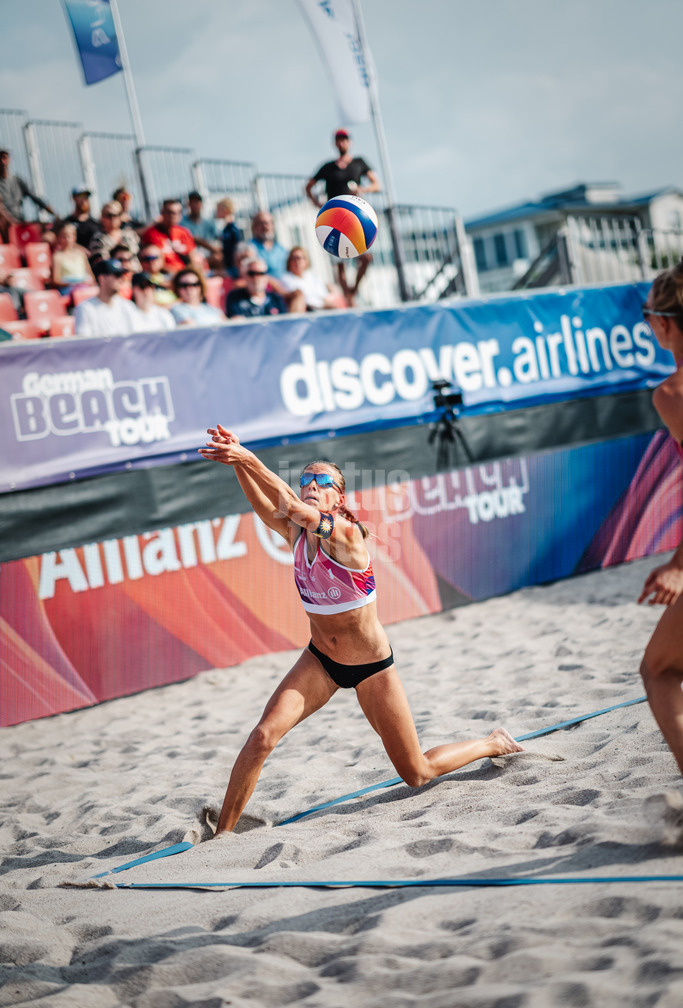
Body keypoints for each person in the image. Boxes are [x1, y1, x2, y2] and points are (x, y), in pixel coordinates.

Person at [197, 427, 523, 833]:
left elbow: (289, 505)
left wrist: (247, 457)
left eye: (322, 481)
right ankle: (224, 836)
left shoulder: (347, 534)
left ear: (339, 498)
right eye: (306, 479)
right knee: (262, 737)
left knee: (417, 772)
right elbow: (262, 503)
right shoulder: (296, 534)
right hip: (320, 661)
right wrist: (235, 461)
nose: (311, 485)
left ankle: (493, 742)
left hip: (371, 668)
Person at [638, 263, 683, 776]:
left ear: (665, 322)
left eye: (647, 314)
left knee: (660, 669)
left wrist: (678, 565)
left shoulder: (673, 394)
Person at [305, 128, 381, 305]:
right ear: (335, 143)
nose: (342, 142)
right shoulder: (328, 167)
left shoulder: (359, 162)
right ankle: (349, 298)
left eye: (345, 139)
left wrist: (362, 189)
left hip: (355, 219)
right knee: (340, 263)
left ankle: (352, 292)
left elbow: (376, 185)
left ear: (350, 142)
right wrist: (317, 204)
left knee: (366, 257)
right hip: (334, 219)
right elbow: (308, 187)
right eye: (339, 139)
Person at [73, 258, 141, 337]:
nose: (122, 279)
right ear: (102, 279)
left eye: (122, 275)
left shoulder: (127, 306)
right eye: (117, 275)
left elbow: (136, 338)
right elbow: (84, 341)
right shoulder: (85, 309)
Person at [0, 148, 56, 241]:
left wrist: (54, 213)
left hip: (19, 221)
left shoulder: (18, 180)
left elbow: (34, 197)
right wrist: (10, 222)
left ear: (9, 159)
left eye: (4, 157)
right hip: (4, 227)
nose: (2, 161)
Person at [281, 246, 346, 311]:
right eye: (293, 258)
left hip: (321, 308)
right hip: (308, 309)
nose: (297, 261)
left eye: (299, 258)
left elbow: (324, 297)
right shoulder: (286, 279)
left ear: (306, 260)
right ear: (289, 261)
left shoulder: (313, 277)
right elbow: (300, 299)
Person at [141, 198, 196, 274]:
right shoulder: (152, 234)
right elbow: (155, 263)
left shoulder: (183, 232)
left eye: (177, 213)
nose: (173, 216)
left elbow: (192, 256)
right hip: (166, 274)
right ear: (162, 213)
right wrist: (178, 274)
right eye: (169, 212)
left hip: (185, 272)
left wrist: (192, 272)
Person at [89, 201, 140, 267]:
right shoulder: (97, 239)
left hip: (135, 270)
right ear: (102, 218)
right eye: (109, 215)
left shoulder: (130, 234)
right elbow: (102, 261)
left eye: (116, 215)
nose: (112, 218)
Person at [51, 222, 94, 295]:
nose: (67, 239)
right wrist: (74, 283)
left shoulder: (81, 254)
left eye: (70, 236)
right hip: (69, 291)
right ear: (58, 238)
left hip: (84, 288)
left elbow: (90, 275)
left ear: (74, 237)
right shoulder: (57, 256)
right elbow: (55, 280)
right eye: (64, 236)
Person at [181, 191, 221, 259]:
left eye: (197, 202)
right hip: (191, 255)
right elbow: (190, 238)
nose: (195, 205)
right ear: (189, 204)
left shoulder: (209, 222)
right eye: (192, 202)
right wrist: (211, 248)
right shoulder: (182, 223)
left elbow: (218, 238)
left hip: (210, 254)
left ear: (201, 204)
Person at [249, 210, 288, 280]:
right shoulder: (249, 248)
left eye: (269, 223)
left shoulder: (281, 249)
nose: (265, 226)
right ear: (254, 227)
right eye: (261, 223)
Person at [64, 185, 101, 251]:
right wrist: (78, 248)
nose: (84, 200)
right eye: (81, 196)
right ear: (74, 198)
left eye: (86, 197)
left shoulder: (95, 223)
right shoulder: (66, 223)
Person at [217, 197, 243, 277]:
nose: (216, 212)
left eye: (218, 210)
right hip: (228, 264)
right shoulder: (226, 227)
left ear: (226, 210)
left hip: (233, 266)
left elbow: (238, 245)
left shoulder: (233, 227)